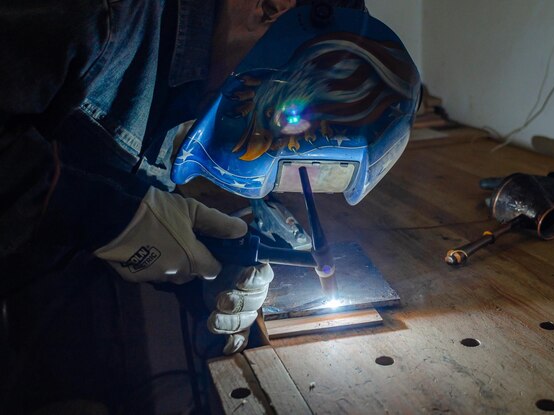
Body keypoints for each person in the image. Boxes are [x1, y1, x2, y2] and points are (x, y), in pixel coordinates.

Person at [1, 0, 375, 413]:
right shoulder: (107, 13)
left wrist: (202, 275)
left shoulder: (194, 74)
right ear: (270, 8)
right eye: (284, 89)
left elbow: (102, 184)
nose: (269, 118)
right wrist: (106, 218)